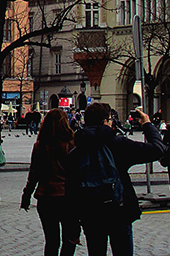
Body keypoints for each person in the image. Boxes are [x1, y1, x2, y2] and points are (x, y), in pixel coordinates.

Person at [67, 104, 164, 256]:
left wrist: (72, 230)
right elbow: (158, 150)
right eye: (111, 119)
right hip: (119, 211)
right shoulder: (119, 144)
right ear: (105, 121)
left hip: (90, 214)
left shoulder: (75, 152)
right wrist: (147, 124)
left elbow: (70, 195)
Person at [21, 109, 80, 256]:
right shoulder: (72, 143)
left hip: (46, 196)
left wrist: (26, 195)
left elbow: (34, 173)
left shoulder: (40, 145)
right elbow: (78, 173)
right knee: (70, 239)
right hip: (68, 197)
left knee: (52, 240)